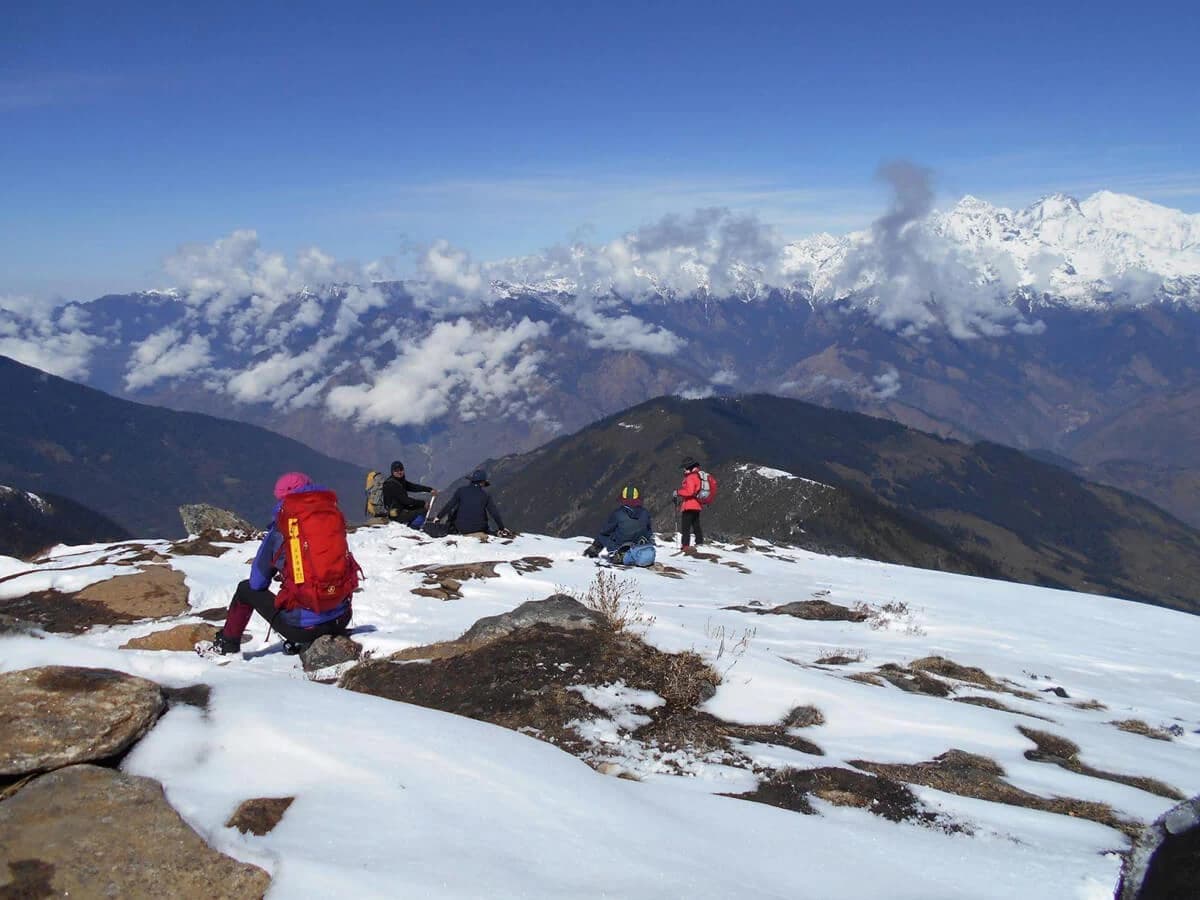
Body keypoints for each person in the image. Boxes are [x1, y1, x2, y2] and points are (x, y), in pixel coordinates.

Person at [201, 472, 358, 656]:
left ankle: (227, 645)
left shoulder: (281, 530)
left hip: (303, 628)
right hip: (342, 618)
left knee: (245, 590)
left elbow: (257, 582)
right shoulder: (331, 518)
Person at [584, 485, 654, 563]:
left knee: (603, 535)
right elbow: (649, 531)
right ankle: (634, 555)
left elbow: (606, 530)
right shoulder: (645, 513)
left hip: (620, 546)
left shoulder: (618, 514)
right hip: (639, 546)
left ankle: (594, 551)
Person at [434, 469, 512, 537]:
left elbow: (449, 505)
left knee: (456, 509)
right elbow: (494, 513)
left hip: (461, 527)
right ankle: (492, 532)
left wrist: (438, 518)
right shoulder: (485, 495)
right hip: (479, 528)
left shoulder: (461, 491)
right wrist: (501, 527)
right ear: (482, 482)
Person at [382, 460, 436, 527]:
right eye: (396, 470)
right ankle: (413, 528)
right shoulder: (392, 485)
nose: (399, 472)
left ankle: (412, 524)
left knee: (420, 507)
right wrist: (423, 503)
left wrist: (429, 489)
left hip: (399, 509)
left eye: (401, 469)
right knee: (423, 510)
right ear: (392, 472)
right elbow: (406, 501)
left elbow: (413, 487)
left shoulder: (399, 481)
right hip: (396, 514)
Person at [674, 458, 705, 554]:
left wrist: (678, 492)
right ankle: (699, 542)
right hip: (697, 505)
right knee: (696, 525)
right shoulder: (698, 476)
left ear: (689, 467)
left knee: (686, 527)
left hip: (689, 506)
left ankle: (685, 545)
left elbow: (690, 491)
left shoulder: (691, 477)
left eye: (684, 468)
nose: (683, 470)